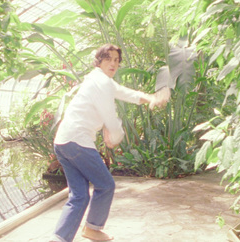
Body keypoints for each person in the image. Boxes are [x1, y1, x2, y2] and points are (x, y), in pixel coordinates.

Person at [50, 44, 166, 242]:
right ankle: (92, 229)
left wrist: (151, 98)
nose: (113, 63)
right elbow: (110, 117)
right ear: (99, 61)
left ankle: (59, 238)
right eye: (109, 59)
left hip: (62, 142)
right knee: (105, 185)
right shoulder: (102, 83)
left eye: (116, 60)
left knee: (79, 196)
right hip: (78, 141)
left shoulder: (99, 80)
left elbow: (126, 93)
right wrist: (116, 136)